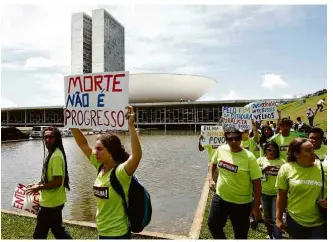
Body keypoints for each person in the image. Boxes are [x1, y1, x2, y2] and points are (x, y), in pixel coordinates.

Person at [71, 106, 142, 239]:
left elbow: (136, 156)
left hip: (118, 234)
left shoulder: (120, 173)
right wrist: (71, 121)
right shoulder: (100, 166)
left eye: (99, 149)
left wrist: (131, 126)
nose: (95, 151)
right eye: (96, 148)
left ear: (111, 152)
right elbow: (83, 144)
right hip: (102, 232)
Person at [207, 128, 262, 239]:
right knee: (213, 225)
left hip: (241, 203)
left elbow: (257, 184)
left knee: (240, 234)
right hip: (220, 197)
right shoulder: (221, 149)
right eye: (230, 138)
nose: (233, 141)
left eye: (236, 138)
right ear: (226, 139)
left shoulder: (249, 157)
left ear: (241, 138)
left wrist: (256, 207)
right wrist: (210, 179)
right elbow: (213, 162)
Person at [275, 138, 327, 239]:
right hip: (295, 220)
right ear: (296, 154)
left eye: (313, 149)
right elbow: (281, 196)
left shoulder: (324, 168)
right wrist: (278, 218)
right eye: (308, 150)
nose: (313, 153)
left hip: (320, 221)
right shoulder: (286, 169)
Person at [26, 127, 72, 239]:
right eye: (45, 137)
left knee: (41, 234)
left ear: (57, 139)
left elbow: (57, 182)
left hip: (51, 204)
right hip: (52, 202)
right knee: (56, 231)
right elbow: (50, 178)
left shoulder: (56, 156)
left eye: (51, 137)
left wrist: (39, 187)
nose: (47, 139)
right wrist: (37, 183)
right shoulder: (53, 153)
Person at [257, 141, 285, 239]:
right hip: (264, 193)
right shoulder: (259, 160)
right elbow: (254, 175)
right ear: (265, 150)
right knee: (267, 218)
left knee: (275, 217)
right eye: (269, 150)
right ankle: (270, 235)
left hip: (277, 194)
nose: (271, 152)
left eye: (274, 150)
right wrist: (262, 169)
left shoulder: (282, 162)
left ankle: (277, 237)